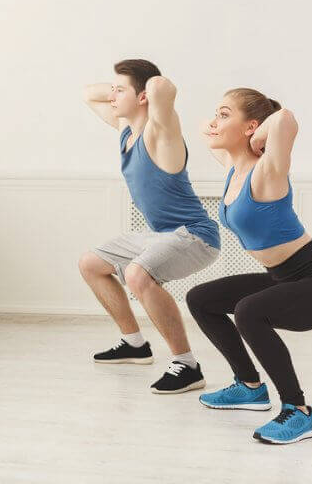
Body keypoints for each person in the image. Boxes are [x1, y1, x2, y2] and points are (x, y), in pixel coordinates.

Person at [186, 88, 312, 443]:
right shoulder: (233, 168)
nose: (215, 122)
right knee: (201, 299)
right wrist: (227, 123)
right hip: (283, 279)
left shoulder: (268, 172)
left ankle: (298, 411)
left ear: (251, 126)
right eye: (217, 113)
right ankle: (249, 387)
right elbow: (204, 128)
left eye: (224, 115)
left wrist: (257, 136)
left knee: (248, 311)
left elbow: (285, 119)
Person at [78, 59, 220, 394]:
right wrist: (122, 88)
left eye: (120, 91)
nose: (112, 96)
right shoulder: (126, 131)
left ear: (143, 97)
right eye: (113, 90)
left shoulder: (161, 134)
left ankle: (187, 366)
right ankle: (134, 344)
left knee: (137, 275)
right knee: (90, 264)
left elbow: (161, 88)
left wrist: (146, 87)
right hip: (160, 236)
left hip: (195, 235)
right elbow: (88, 94)